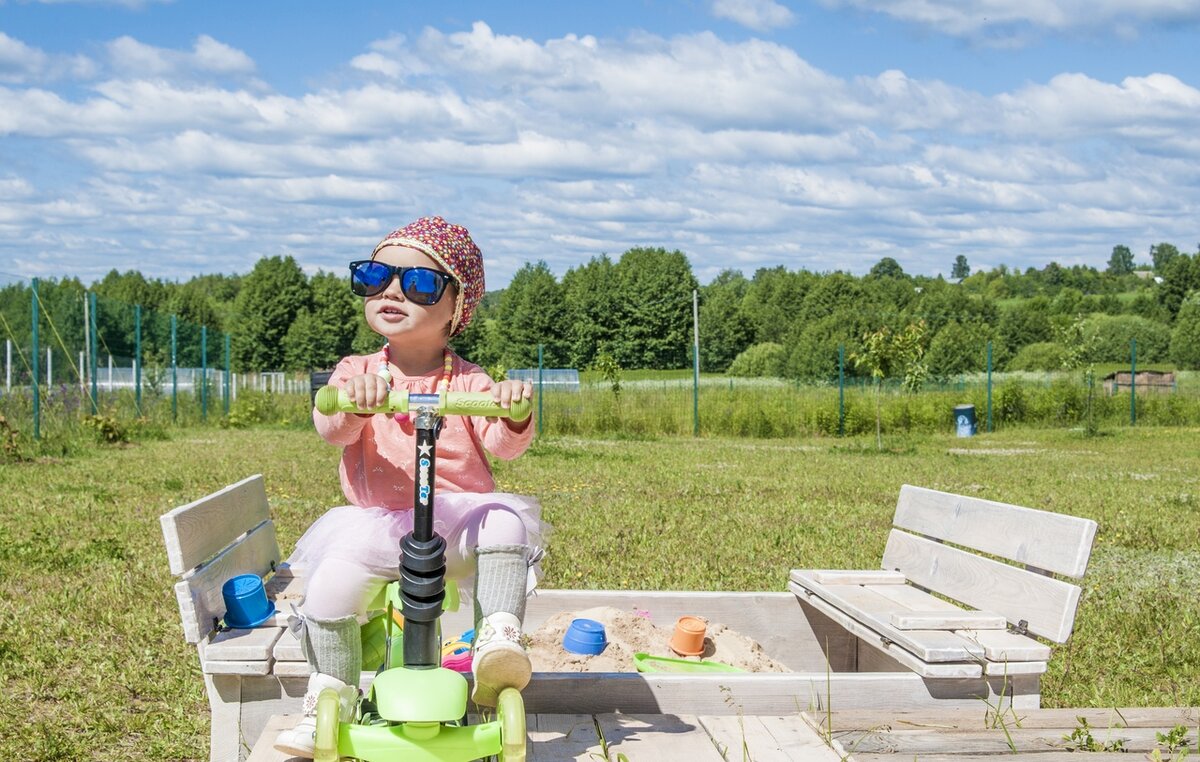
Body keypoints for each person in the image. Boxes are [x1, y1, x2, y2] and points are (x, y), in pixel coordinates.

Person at [275, 216, 545, 758]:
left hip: (457, 525)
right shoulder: (356, 371)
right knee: (326, 590)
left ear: (455, 309)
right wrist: (353, 398)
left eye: (420, 283)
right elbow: (332, 427)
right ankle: (333, 692)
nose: (392, 290)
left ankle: (497, 638)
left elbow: (503, 444)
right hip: (378, 527)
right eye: (376, 276)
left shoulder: (469, 381)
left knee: (506, 519)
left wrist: (513, 409)